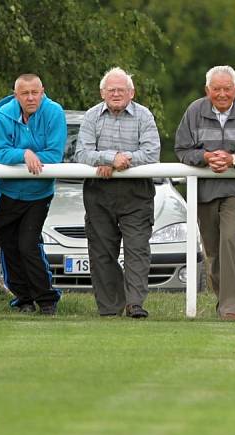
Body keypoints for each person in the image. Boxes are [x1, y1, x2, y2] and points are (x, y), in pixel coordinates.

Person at [174, 65, 235, 320]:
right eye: (217, 89)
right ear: (208, 90)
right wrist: (205, 157)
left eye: (227, 89)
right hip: (205, 191)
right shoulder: (194, 111)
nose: (222, 94)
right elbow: (182, 149)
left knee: (230, 240)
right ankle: (223, 302)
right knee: (213, 251)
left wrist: (233, 159)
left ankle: (232, 308)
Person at [75, 67, 161, 318]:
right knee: (102, 252)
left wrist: (123, 160)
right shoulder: (92, 116)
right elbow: (82, 153)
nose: (115, 94)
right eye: (111, 90)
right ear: (102, 93)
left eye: (120, 90)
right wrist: (110, 158)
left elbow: (151, 153)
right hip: (99, 192)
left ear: (131, 93)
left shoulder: (144, 116)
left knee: (137, 249)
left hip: (137, 194)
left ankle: (135, 304)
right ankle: (110, 308)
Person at [0, 74, 66, 315]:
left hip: (39, 192)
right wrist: (25, 154)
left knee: (28, 245)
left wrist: (31, 155)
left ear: (43, 91)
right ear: (16, 95)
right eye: (25, 93)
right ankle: (23, 299)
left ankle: (46, 299)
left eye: (36, 92)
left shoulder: (54, 112)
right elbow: (0, 152)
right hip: (6, 192)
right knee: (8, 245)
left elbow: (54, 154)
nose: (31, 98)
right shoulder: (3, 115)